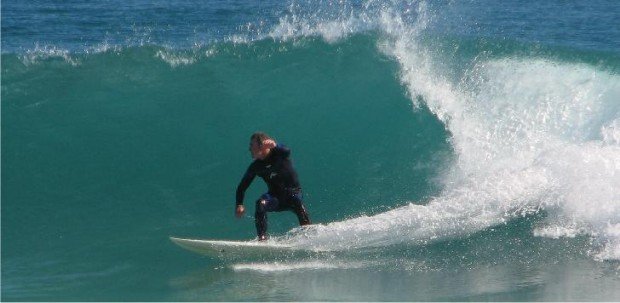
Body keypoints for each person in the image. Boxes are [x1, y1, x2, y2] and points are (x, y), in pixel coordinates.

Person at [235, 132, 311, 240]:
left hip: (293, 193)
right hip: (275, 198)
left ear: (261, 145)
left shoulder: (279, 154)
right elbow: (242, 187)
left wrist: (275, 145)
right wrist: (239, 204)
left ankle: (309, 234)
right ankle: (262, 238)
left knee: (296, 200)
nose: (249, 148)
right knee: (261, 203)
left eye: (252, 145)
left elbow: (287, 151)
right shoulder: (256, 166)